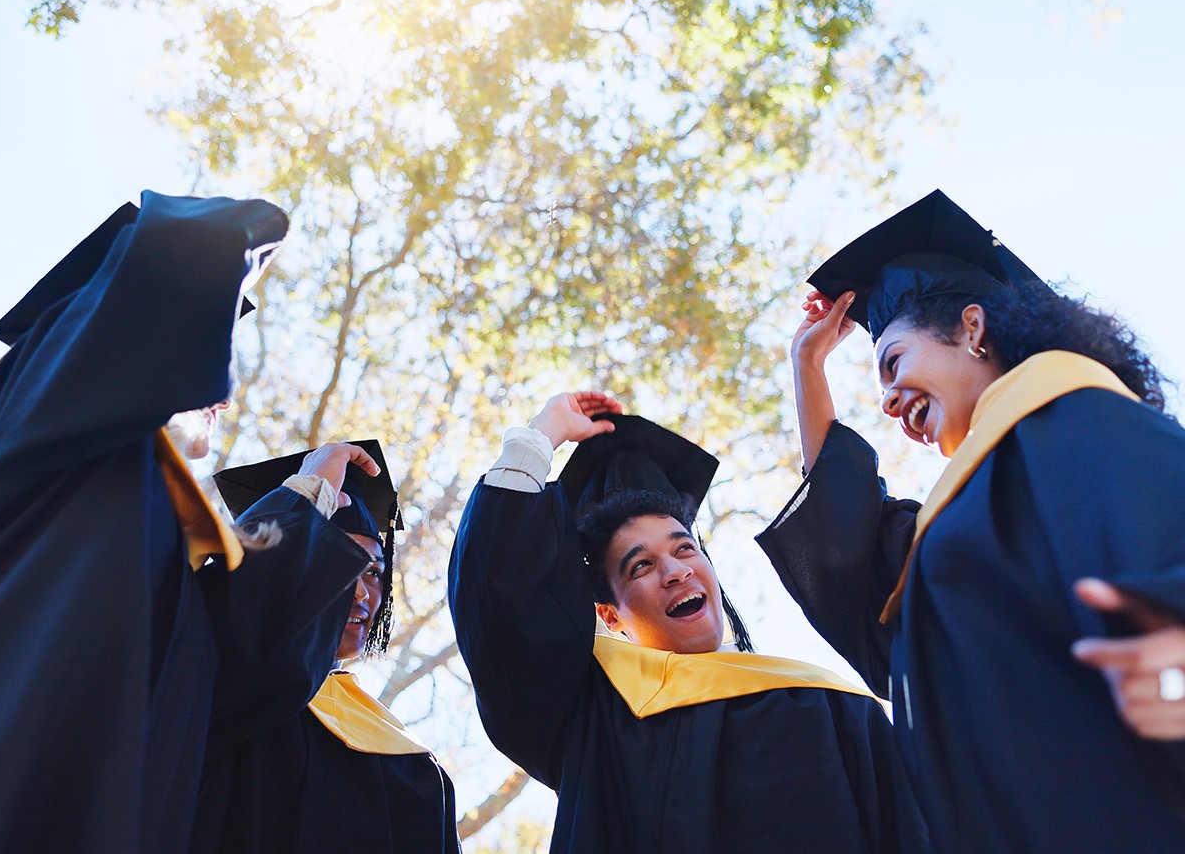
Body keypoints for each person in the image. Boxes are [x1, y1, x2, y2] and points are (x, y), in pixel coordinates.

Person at [765, 188, 1185, 853]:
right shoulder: (959, 517)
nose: (889, 401)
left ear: (972, 327)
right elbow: (853, 551)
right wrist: (805, 365)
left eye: (893, 362)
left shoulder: (1073, 416)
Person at [449, 393, 927, 854]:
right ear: (609, 615)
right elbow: (498, 605)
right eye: (640, 566)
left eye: (684, 549)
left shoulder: (828, 703)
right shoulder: (590, 715)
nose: (675, 571)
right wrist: (541, 435)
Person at [0, 192, 287, 854]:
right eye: (211, 333)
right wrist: (237, 243)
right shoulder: (61, 431)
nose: (219, 382)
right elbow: (143, 291)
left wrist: (314, 491)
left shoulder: (187, 560)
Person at [191, 440, 460, 854]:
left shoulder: (415, 772)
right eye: (337, 560)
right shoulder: (216, 694)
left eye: (373, 571)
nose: (362, 593)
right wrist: (311, 490)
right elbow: (229, 620)